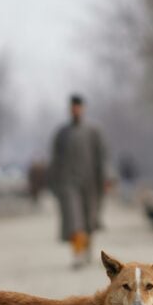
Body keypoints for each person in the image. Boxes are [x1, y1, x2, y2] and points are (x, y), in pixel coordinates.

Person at [49, 94, 107, 268]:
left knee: (89, 219)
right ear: (70, 109)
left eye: (78, 107)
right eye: (73, 107)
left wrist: (106, 178)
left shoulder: (94, 131)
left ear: (83, 108)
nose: (76, 110)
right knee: (75, 220)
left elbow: (103, 157)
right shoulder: (62, 133)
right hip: (68, 183)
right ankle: (78, 253)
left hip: (90, 182)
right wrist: (53, 183)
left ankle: (88, 248)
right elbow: (55, 160)